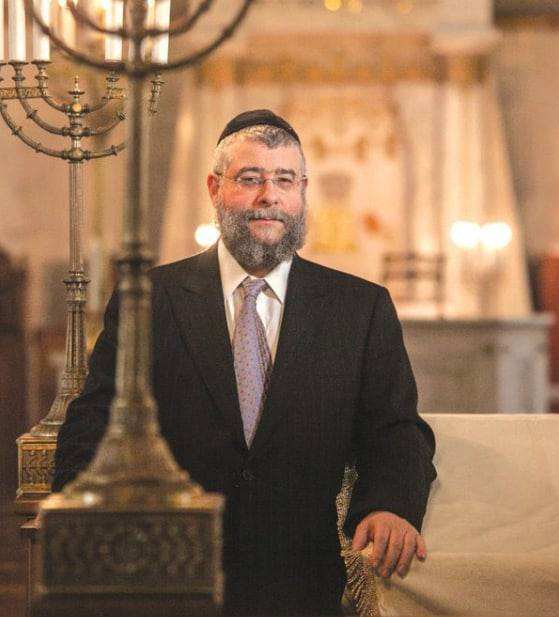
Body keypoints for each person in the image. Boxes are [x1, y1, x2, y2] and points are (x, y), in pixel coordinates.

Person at [53, 109, 436, 616]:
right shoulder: (149, 298)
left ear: (303, 192)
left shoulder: (359, 308)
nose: (269, 196)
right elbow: (94, 420)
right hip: (170, 574)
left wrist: (390, 504)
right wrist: (83, 516)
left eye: (284, 180)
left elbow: (396, 429)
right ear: (215, 188)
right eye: (250, 178)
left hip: (301, 582)